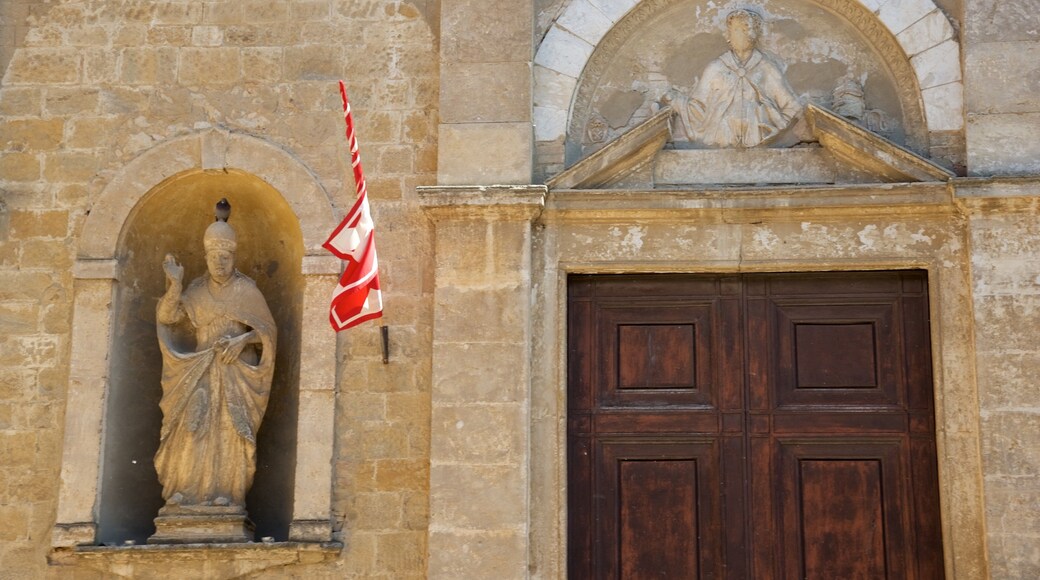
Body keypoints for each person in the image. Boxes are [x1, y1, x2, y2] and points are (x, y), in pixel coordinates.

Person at [154, 200, 276, 513]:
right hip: (200, 370)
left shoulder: (246, 290)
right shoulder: (194, 290)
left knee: (232, 428)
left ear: (233, 257)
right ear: (206, 257)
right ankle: (184, 492)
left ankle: (228, 494)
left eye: (225, 256)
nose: (219, 262)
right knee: (192, 424)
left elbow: (268, 333)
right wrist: (175, 285)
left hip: (235, 373)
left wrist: (242, 340)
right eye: (213, 256)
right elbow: (169, 317)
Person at [662, 9, 802, 148]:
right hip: (721, 134)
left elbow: (790, 104)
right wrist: (677, 102)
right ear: (728, 35)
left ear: (756, 34)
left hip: (759, 133)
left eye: (748, 29)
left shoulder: (766, 67)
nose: (744, 34)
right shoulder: (716, 68)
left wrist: (777, 126)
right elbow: (699, 107)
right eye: (737, 29)